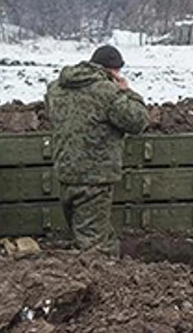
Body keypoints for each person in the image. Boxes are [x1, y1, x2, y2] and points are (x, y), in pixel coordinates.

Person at [45, 45, 149, 256]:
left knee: (83, 234)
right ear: (112, 70)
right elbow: (138, 121)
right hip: (94, 179)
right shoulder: (107, 92)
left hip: (65, 172)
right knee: (94, 246)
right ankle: (99, 281)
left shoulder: (56, 88)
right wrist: (127, 91)